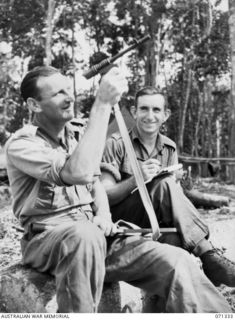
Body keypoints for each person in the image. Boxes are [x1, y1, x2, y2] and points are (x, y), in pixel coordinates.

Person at [5, 67, 232, 313]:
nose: (70, 97)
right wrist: (102, 104)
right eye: (58, 93)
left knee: (177, 261)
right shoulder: (22, 143)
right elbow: (76, 173)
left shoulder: (77, 136)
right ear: (34, 105)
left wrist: (103, 215)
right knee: (84, 235)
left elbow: (92, 184)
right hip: (47, 238)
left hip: (99, 235)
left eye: (69, 89)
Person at [101, 86, 235, 288]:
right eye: (144, 109)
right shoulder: (116, 143)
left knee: (174, 239)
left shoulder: (169, 147)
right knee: (164, 183)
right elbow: (105, 197)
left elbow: (172, 201)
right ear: (134, 111)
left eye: (156, 110)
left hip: (154, 222)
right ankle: (209, 254)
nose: (150, 116)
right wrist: (137, 178)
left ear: (166, 115)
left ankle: (164, 304)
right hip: (121, 221)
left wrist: (182, 185)